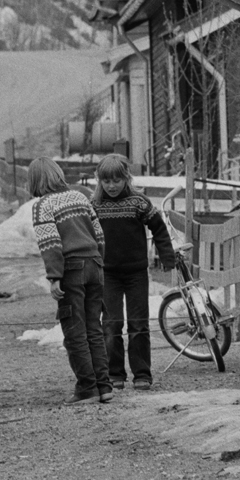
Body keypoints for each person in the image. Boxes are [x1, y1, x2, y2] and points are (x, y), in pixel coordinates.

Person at [28, 157, 113, 405]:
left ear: (34, 181)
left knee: (75, 332)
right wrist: (100, 263)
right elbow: (99, 234)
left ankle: (87, 388)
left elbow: (50, 243)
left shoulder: (43, 205)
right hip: (95, 264)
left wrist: (54, 277)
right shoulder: (80, 197)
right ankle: (104, 386)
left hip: (72, 270)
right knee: (93, 329)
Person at [92, 153, 176, 391]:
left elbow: (158, 228)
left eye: (117, 180)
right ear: (100, 181)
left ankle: (142, 374)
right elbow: (87, 236)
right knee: (111, 324)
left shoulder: (139, 202)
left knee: (138, 324)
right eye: (106, 181)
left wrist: (167, 257)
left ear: (126, 178)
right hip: (108, 275)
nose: (112, 186)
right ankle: (114, 373)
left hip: (136, 274)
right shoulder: (95, 206)